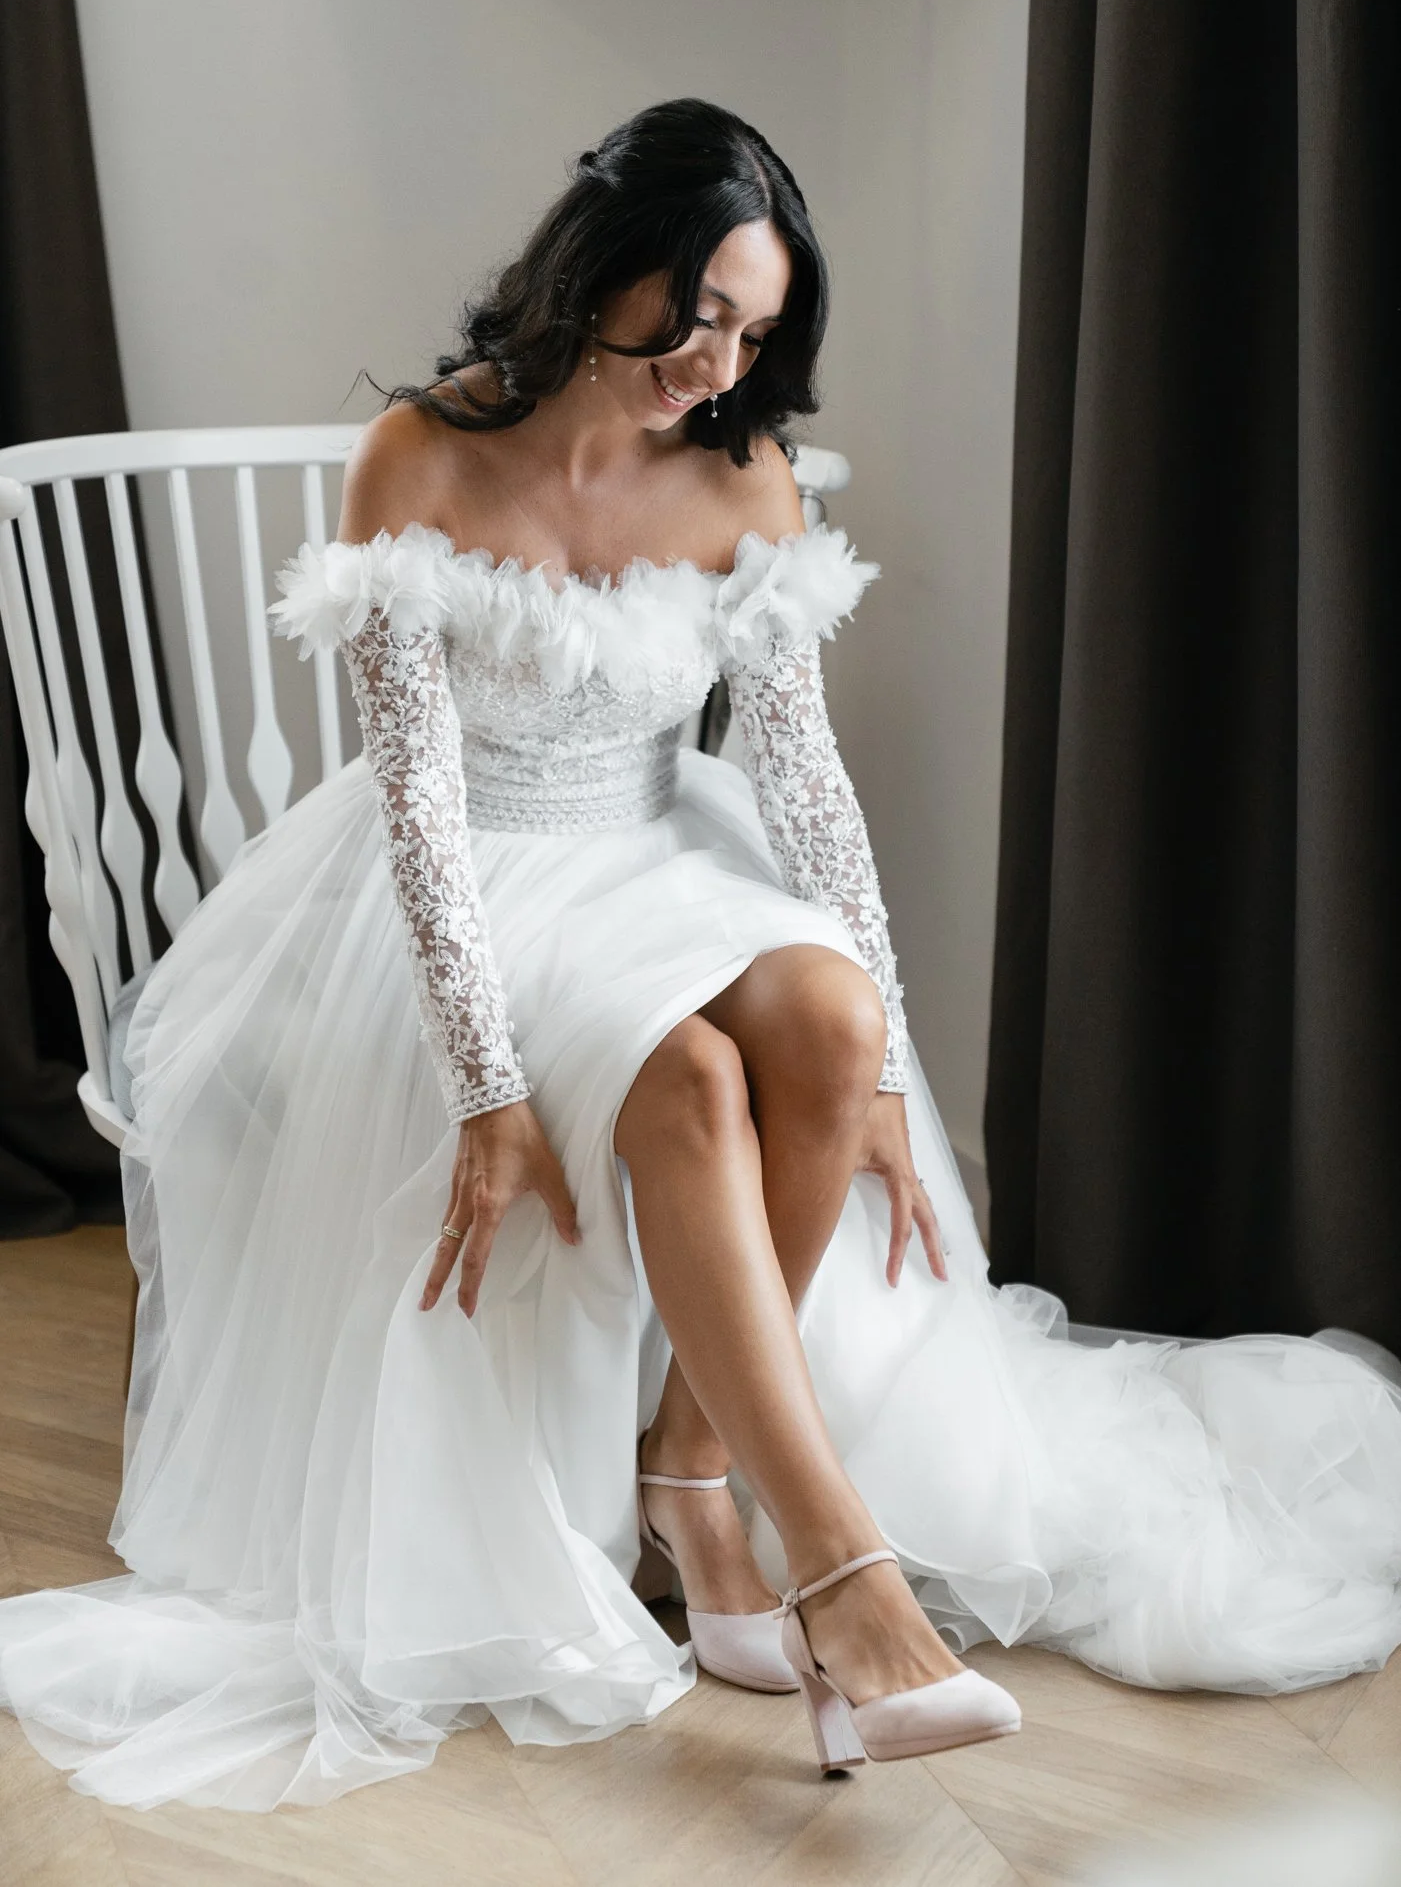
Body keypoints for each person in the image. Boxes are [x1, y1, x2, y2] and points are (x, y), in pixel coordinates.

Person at [1, 99, 1398, 1813]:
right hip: (471, 890)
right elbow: (423, 809)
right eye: (698, 311)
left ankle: (692, 1459)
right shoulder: (420, 461)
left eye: (752, 330)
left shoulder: (743, 471)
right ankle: (845, 1579)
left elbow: (802, 782)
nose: (715, 360)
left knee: (817, 1016)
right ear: (605, 263)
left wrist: (886, 1068)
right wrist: (491, 1084)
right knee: (684, 1072)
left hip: (667, 845)